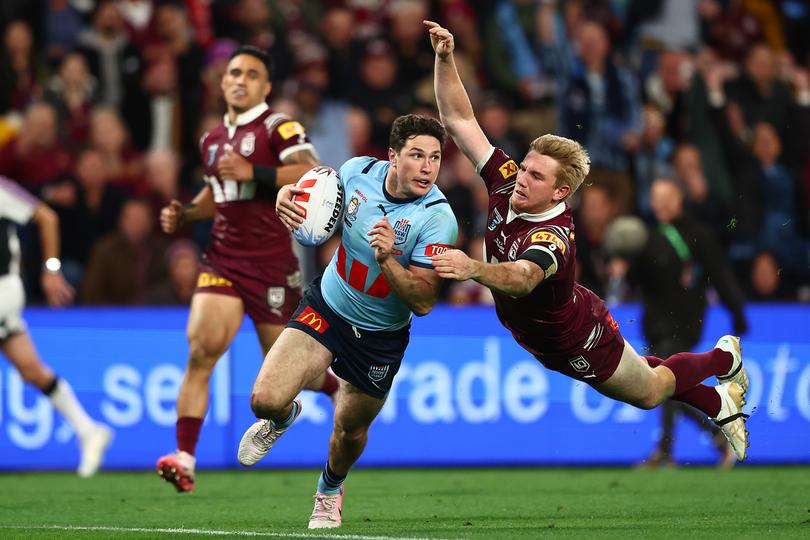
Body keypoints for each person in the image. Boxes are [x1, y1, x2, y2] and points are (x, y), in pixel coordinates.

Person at [426, 21, 750, 463]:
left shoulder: (553, 236)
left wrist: (473, 269)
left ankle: (721, 358)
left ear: (560, 193)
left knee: (651, 391)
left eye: (535, 176)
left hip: (578, 338)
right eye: (524, 167)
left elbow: (522, 278)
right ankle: (719, 405)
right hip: (537, 332)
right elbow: (460, 120)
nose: (521, 179)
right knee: (644, 374)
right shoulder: (505, 181)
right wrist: (445, 60)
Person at [237, 114, 457, 529]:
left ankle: (329, 490)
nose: (428, 167)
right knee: (263, 400)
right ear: (392, 156)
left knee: (348, 432)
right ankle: (283, 418)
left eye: (435, 157)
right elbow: (314, 194)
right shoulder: (357, 172)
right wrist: (287, 194)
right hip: (329, 308)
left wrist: (389, 259)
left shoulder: (437, 219)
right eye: (416, 155)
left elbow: (424, 301)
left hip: (380, 338)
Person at [155, 45, 338, 493]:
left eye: (251, 74)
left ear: (266, 86)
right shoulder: (211, 138)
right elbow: (217, 191)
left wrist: (254, 172)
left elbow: (310, 170)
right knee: (200, 352)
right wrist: (186, 214)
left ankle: (333, 387)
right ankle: (184, 456)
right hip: (222, 258)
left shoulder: (279, 125)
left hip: (272, 265)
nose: (240, 80)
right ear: (222, 82)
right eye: (234, 73)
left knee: (297, 375)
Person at [631, 178, 748, 468]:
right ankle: (719, 437)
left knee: (665, 381)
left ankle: (666, 453)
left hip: (685, 323)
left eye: (664, 196)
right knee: (669, 387)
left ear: (678, 199)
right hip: (656, 324)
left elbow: (720, 275)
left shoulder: (698, 235)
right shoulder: (648, 238)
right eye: (654, 197)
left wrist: (737, 312)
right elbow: (640, 282)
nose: (658, 203)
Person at [0, 175, 112, 477]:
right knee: (31, 369)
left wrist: (51, 270)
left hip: (3, 289)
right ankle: (88, 429)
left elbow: (46, 216)